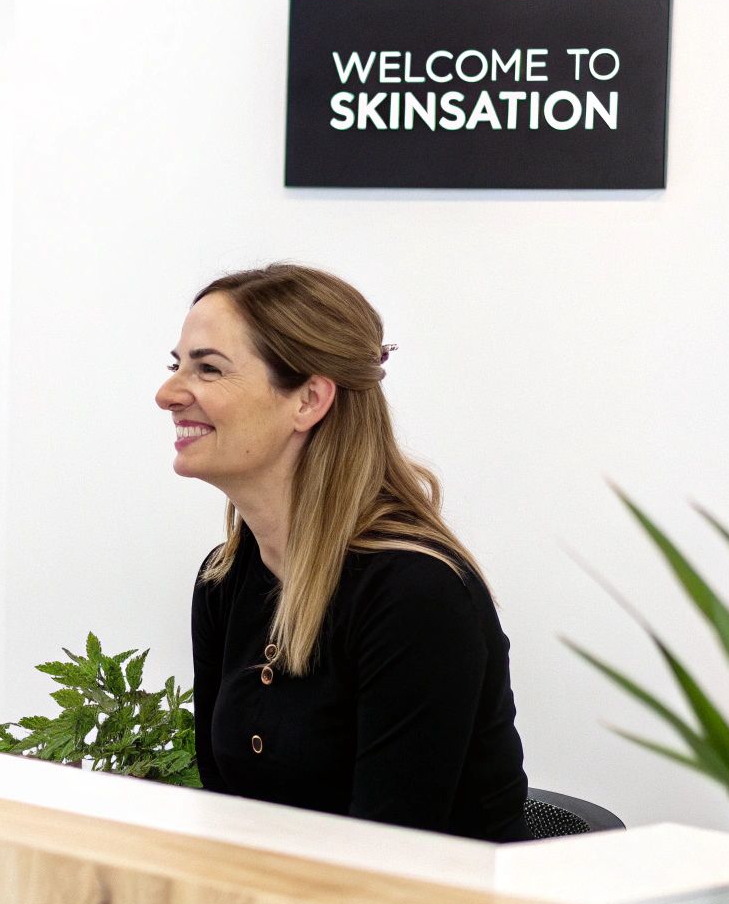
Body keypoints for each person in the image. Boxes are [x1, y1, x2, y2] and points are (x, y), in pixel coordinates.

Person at [156, 263, 529, 842]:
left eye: (208, 368)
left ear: (308, 400)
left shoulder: (414, 593)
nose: (168, 394)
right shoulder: (225, 579)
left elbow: (387, 859)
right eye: (176, 366)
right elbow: (227, 819)